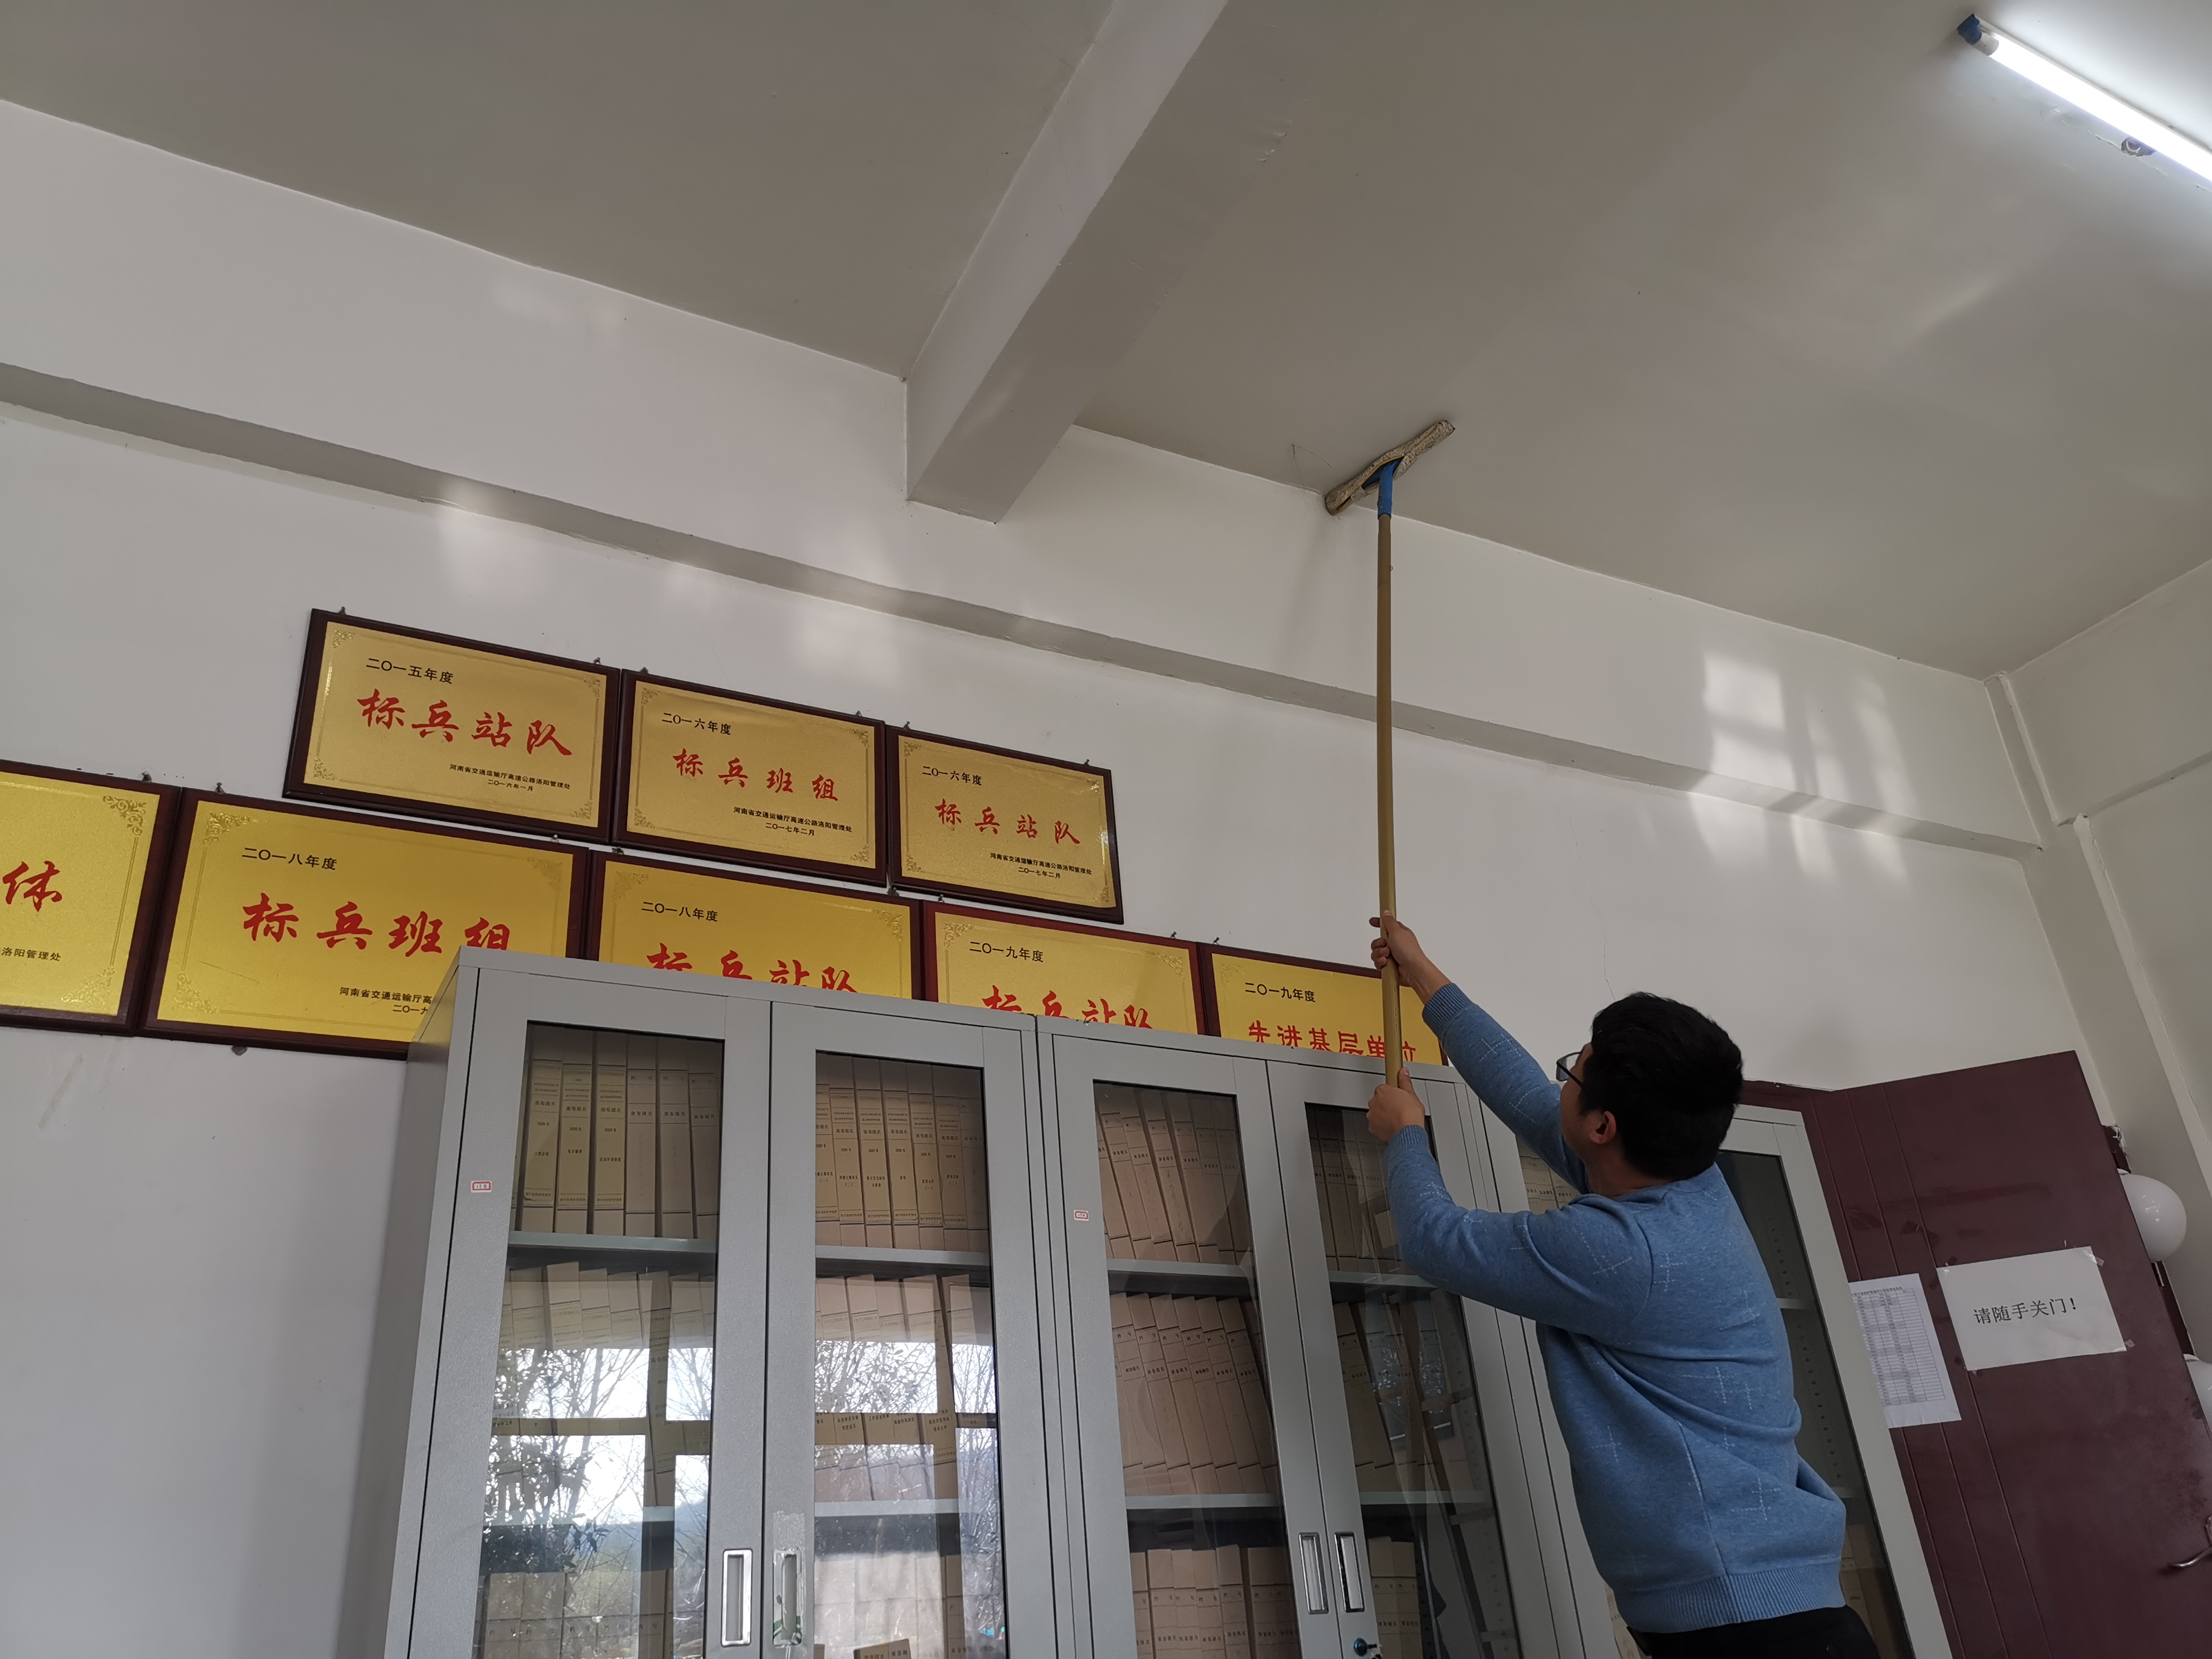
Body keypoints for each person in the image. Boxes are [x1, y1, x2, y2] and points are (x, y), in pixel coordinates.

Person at [1365, 914, 1875, 1659]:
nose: (1561, 1080)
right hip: (1764, 1610)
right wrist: (1422, 975)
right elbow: (1526, 1096)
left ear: (1604, 1127)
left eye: (1573, 1070)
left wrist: (1405, 1135)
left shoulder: (1621, 1253)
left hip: (1745, 1630)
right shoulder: (1690, 1183)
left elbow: (1435, 1242)